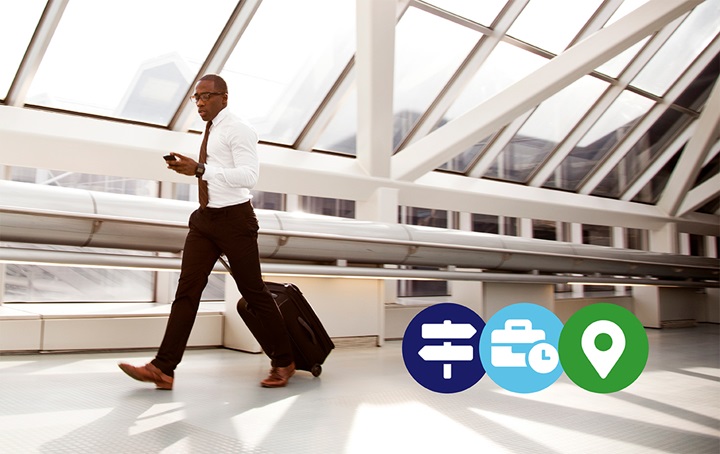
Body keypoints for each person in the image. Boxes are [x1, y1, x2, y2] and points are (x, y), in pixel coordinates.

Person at [119, 74, 295, 389]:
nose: (199, 102)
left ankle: (284, 361)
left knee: (254, 293)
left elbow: (249, 176)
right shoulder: (211, 130)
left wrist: (200, 169)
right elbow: (216, 173)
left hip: (235, 221)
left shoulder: (238, 129)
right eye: (196, 97)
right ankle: (163, 368)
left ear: (224, 97)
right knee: (186, 293)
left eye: (206, 96)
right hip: (205, 220)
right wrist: (195, 170)